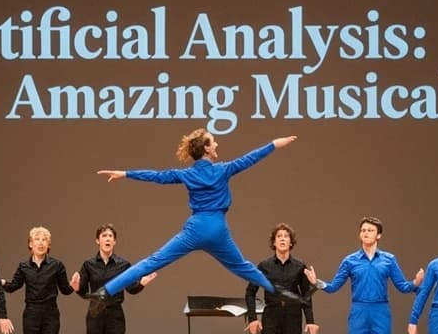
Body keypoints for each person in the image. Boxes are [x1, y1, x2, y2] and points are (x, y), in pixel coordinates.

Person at [85, 131, 305, 315]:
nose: (217, 143)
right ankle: (280, 293)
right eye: (213, 141)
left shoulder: (187, 174)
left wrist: (125, 173)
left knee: (151, 262)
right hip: (217, 229)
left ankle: (104, 292)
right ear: (207, 149)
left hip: (195, 228)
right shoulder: (223, 169)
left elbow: (157, 176)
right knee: (244, 267)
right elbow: (250, 158)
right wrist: (274, 144)